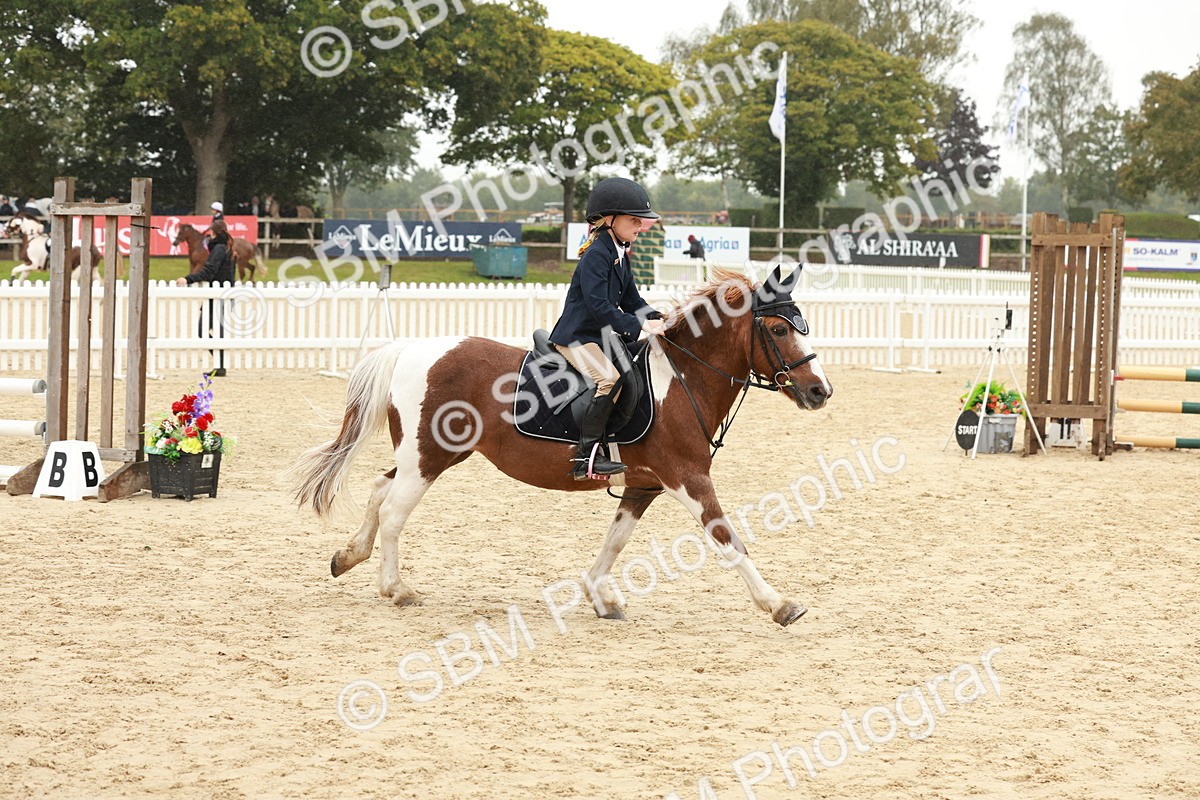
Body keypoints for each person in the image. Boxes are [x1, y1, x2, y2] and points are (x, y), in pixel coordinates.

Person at [548, 177, 665, 480]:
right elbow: (601, 307)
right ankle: (585, 457)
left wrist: (662, 317)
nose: (640, 226)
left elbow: (632, 300)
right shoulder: (597, 255)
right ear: (610, 220)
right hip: (576, 338)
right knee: (610, 379)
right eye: (634, 220)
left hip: (598, 337)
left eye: (641, 221)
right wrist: (640, 327)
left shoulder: (619, 254)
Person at [176, 220, 234, 376]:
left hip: (218, 296)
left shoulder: (219, 249)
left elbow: (208, 271)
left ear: (213, 233)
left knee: (205, 330)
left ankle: (220, 365)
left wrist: (188, 279)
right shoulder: (225, 248)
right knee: (213, 331)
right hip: (221, 294)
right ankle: (220, 364)